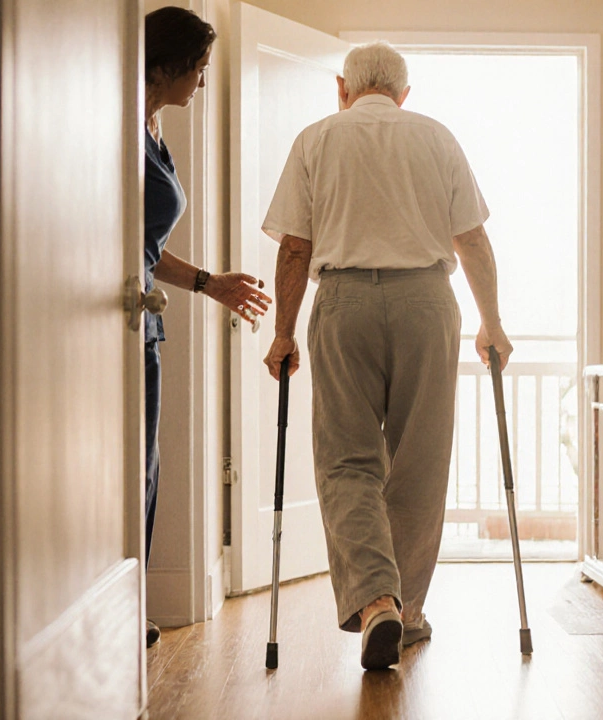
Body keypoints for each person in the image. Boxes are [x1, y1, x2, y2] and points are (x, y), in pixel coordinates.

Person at [261, 41, 512, 671]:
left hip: (343, 302)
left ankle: (378, 602)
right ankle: (412, 611)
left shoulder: (317, 138)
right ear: (404, 94)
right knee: (420, 461)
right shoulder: (435, 136)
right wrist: (492, 324)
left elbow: (295, 247)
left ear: (342, 88)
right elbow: (472, 238)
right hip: (427, 301)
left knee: (348, 460)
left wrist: (284, 333)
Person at [143, 6, 272, 648]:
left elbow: (140, 246)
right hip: (122, 321)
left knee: (146, 468)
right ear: (164, 67)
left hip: (144, 320)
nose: (200, 81)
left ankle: (129, 605)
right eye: (196, 69)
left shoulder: (153, 125)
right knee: (132, 467)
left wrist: (211, 284)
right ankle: (122, 610)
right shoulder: (120, 133)